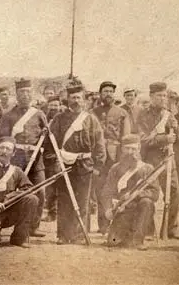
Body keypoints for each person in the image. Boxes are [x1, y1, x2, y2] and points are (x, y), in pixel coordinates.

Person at [45, 79, 106, 244]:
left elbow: (99, 143)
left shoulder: (91, 119)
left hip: (85, 164)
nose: (76, 101)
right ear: (68, 99)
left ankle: (79, 235)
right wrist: (54, 162)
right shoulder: (59, 118)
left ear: (84, 100)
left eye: (79, 97)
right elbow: (51, 142)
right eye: (73, 98)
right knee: (64, 199)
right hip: (64, 163)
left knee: (83, 200)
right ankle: (64, 235)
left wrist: (98, 165)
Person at [0, 78, 49, 238]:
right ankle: (9, 225)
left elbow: (47, 138)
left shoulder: (39, 114)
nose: (25, 95)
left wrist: (46, 135)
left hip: (36, 160)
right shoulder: (8, 116)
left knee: (40, 191)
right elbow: (3, 139)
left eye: (28, 92)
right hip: (17, 160)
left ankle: (33, 227)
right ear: (17, 94)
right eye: (22, 92)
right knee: (14, 193)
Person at [137, 82, 179, 239]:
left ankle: (170, 229)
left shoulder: (169, 114)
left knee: (175, 193)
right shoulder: (143, 115)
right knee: (149, 194)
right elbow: (143, 139)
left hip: (168, 159)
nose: (163, 99)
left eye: (164, 95)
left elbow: (178, 139)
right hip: (151, 161)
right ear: (151, 97)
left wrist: (176, 128)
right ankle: (149, 230)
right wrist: (164, 138)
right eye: (159, 96)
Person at [102, 134, 160, 251]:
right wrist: (109, 208)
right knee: (113, 242)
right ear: (122, 149)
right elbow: (107, 192)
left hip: (140, 211)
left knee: (147, 202)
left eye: (133, 149)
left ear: (139, 149)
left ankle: (138, 240)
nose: (130, 152)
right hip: (122, 210)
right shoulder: (115, 168)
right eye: (127, 148)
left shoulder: (147, 168)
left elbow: (154, 193)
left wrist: (138, 195)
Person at [92, 81, 131, 234]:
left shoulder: (122, 113)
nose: (108, 94)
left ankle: (118, 225)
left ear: (114, 94)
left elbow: (126, 137)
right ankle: (103, 226)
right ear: (100, 94)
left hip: (116, 155)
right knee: (101, 190)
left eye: (110, 91)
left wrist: (124, 158)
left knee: (118, 190)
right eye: (105, 91)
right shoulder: (93, 112)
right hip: (99, 157)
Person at [42, 95, 63, 222]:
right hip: (44, 154)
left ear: (59, 106)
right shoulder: (44, 117)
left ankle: (53, 212)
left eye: (56, 105)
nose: (53, 108)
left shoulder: (62, 119)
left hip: (57, 155)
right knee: (46, 184)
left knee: (54, 184)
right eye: (51, 105)